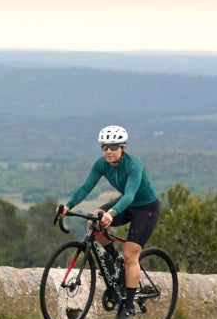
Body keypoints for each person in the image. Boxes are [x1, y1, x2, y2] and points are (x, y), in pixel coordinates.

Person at [56, 125, 162, 304]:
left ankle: (128, 306)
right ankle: (112, 258)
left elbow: (129, 195)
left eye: (113, 147)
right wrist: (68, 206)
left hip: (146, 208)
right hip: (126, 204)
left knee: (130, 254)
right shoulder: (101, 164)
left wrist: (111, 213)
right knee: (93, 220)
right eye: (105, 147)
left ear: (123, 148)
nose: (109, 151)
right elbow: (86, 187)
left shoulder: (134, 166)